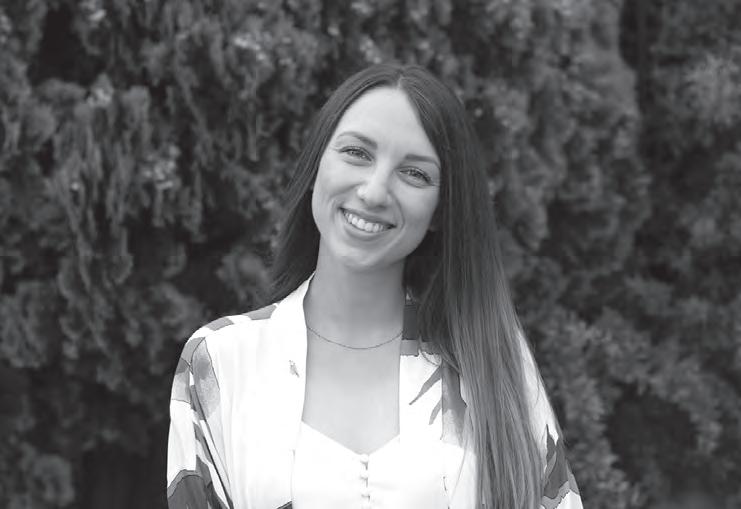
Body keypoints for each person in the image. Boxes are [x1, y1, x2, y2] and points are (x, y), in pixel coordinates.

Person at [166, 63, 583, 509]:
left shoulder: (492, 361)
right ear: (317, 163)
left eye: (415, 174)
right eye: (357, 153)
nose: (374, 191)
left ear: (440, 210)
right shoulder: (221, 362)